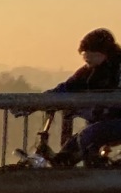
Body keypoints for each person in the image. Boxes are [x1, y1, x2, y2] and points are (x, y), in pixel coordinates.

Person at [40, 28, 121, 167]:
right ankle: (65, 171)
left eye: (90, 58)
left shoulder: (118, 69)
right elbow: (67, 87)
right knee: (69, 148)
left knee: (89, 135)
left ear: (102, 54)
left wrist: (85, 110)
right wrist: (42, 100)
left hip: (115, 121)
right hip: (102, 121)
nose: (86, 62)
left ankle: (93, 174)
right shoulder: (88, 71)